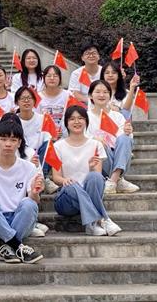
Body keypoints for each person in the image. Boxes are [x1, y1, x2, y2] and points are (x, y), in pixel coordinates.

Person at [0, 120, 44, 264]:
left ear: (19, 143)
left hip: (19, 220)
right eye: (3, 139)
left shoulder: (29, 167)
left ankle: (8, 248)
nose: (8, 144)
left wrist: (34, 192)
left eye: (13, 140)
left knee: (29, 203)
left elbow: (34, 200)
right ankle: (17, 245)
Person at [52, 105, 122, 236]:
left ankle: (91, 224)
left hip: (88, 193)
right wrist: (65, 181)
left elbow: (97, 178)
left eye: (80, 118)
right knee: (71, 184)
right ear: (66, 123)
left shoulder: (96, 145)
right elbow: (56, 178)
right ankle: (102, 218)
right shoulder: (57, 146)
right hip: (67, 200)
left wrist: (91, 167)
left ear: (86, 121)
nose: (77, 122)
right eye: (72, 119)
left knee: (95, 176)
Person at [87, 80, 139, 194]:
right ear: (90, 95)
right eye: (98, 92)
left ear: (110, 96)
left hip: (116, 155)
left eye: (105, 92)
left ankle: (113, 180)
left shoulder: (118, 116)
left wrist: (128, 132)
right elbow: (82, 139)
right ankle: (118, 180)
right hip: (98, 162)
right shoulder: (85, 117)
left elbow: (125, 143)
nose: (101, 95)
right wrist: (95, 140)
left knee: (125, 138)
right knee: (98, 143)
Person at [14, 86, 59, 195]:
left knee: (48, 145)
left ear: (34, 101)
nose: (26, 101)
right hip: (21, 152)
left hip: (39, 153)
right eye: (22, 98)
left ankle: (42, 177)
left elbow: (48, 138)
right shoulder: (13, 120)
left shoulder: (43, 118)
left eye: (29, 98)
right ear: (17, 102)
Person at [36, 65, 70, 132]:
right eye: (48, 76)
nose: (52, 78)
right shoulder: (38, 97)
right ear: (44, 78)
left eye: (55, 76)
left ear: (60, 79)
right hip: (44, 134)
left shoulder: (68, 95)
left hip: (65, 134)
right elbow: (36, 120)